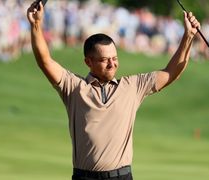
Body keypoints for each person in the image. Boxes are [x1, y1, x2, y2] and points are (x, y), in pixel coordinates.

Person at [27, 1, 200, 180]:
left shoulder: (133, 86)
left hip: (121, 177)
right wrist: (36, 24)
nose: (112, 64)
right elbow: (45, 61)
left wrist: (188, 36)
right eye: (104, 60)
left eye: (115, 58)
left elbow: (171, 72)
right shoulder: (74, 87)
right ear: (88, 62)